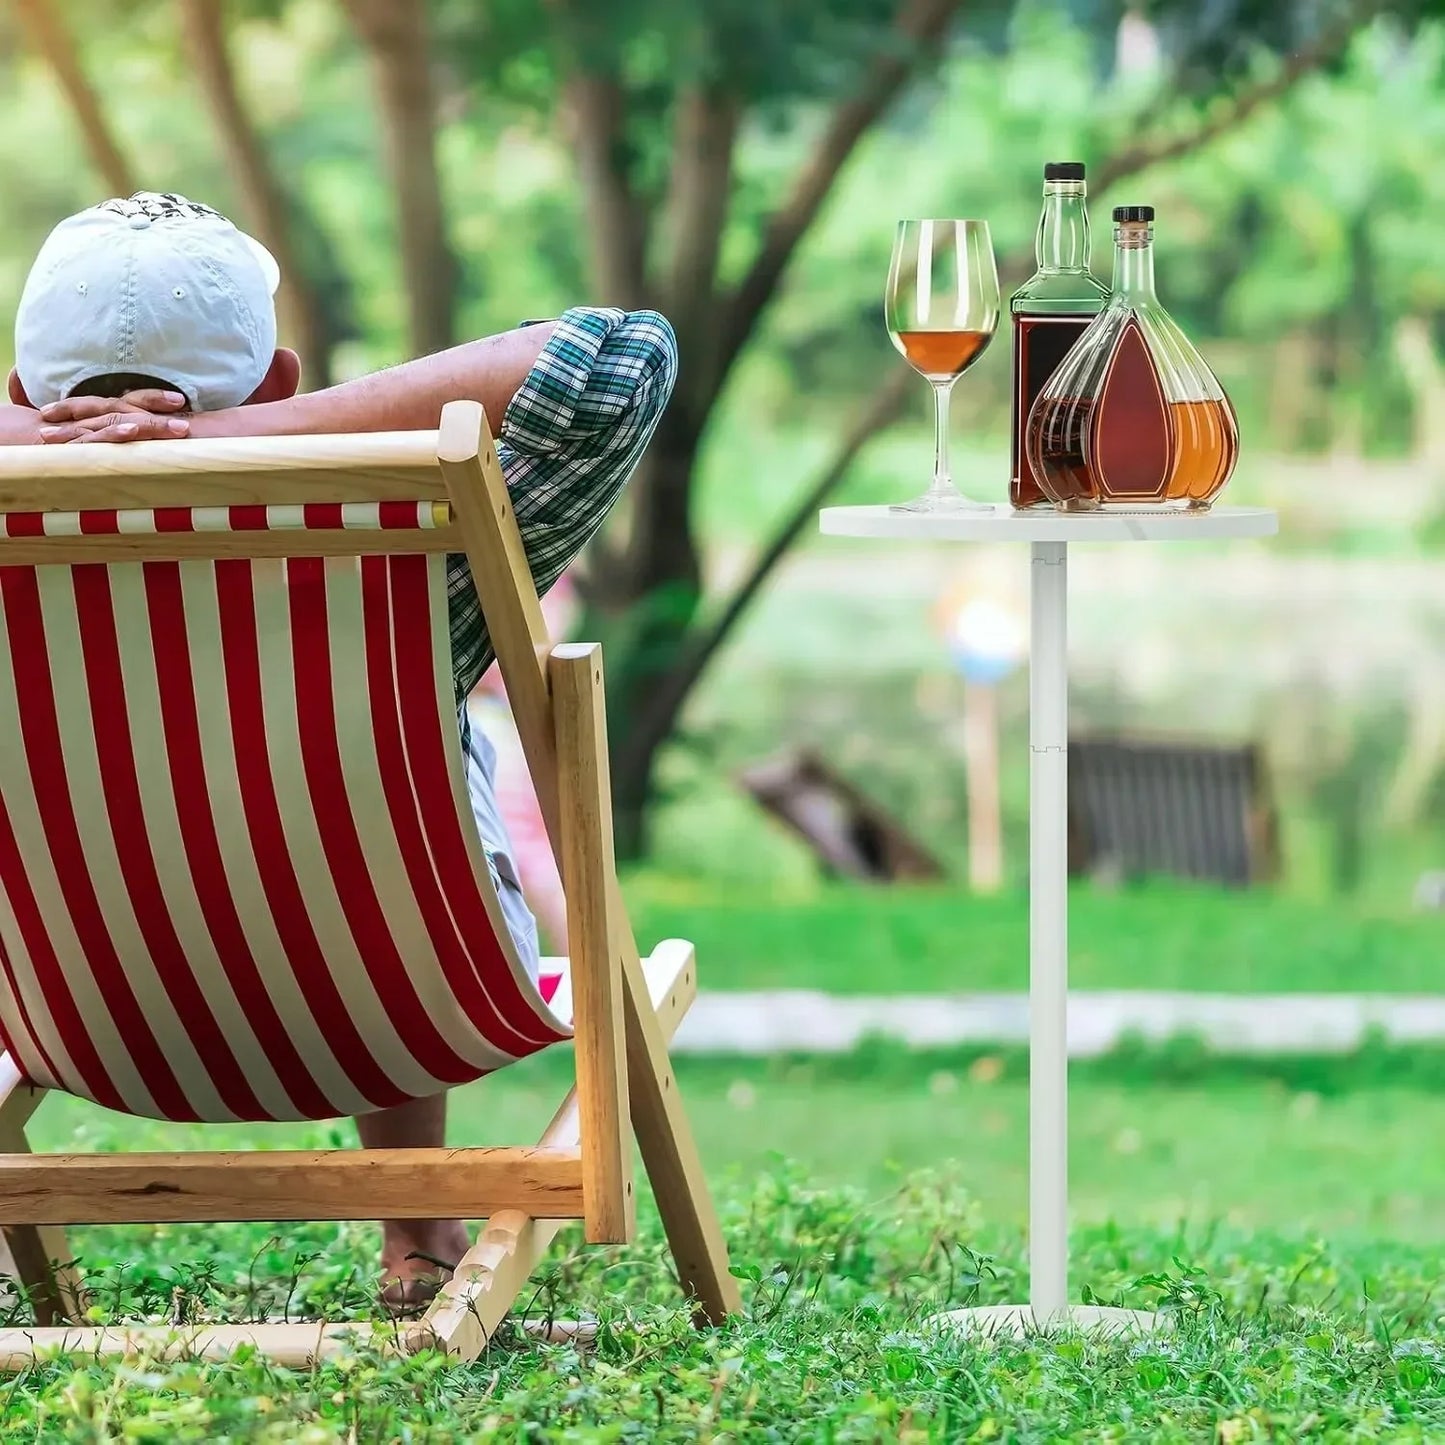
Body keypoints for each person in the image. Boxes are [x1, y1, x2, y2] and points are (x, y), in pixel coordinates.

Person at [2, 192, 675, 1310]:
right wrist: (257, 436)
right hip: (411, 1003)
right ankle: (415, 1229)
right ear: (279, 383)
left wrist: (29, 434)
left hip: (79, 1017)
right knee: (399, 751)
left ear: (24, 391)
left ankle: (417, 1226)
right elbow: (619, 356)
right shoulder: (405, 534)